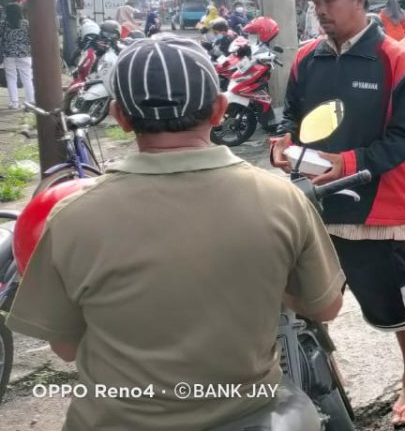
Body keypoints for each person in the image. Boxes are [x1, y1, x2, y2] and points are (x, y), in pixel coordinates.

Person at [6, 35, 344, 429]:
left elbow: (64, 346)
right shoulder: (281, 200)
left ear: (120, 116)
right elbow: (325, 307)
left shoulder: (71, 217)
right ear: (219, 110)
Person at [269, 0, 405, 428]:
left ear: (360, 1)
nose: (320, 10)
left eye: (329, 0)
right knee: (301, 300)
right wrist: (281, 140)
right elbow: (290, 114)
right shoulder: (306, 59)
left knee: (392, 299)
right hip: (310, 199)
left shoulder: (397, 60)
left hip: (375, 203)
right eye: (315, 2)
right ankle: (320, 377)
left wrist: (350, 163)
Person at [2, 3, 34, 109]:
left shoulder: (3, 25)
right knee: (27, 79)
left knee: (11, 78)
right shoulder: (26, 24)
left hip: (9, 54)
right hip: (25, 54)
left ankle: (14, 103)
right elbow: (30, 38)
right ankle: (30, 102)